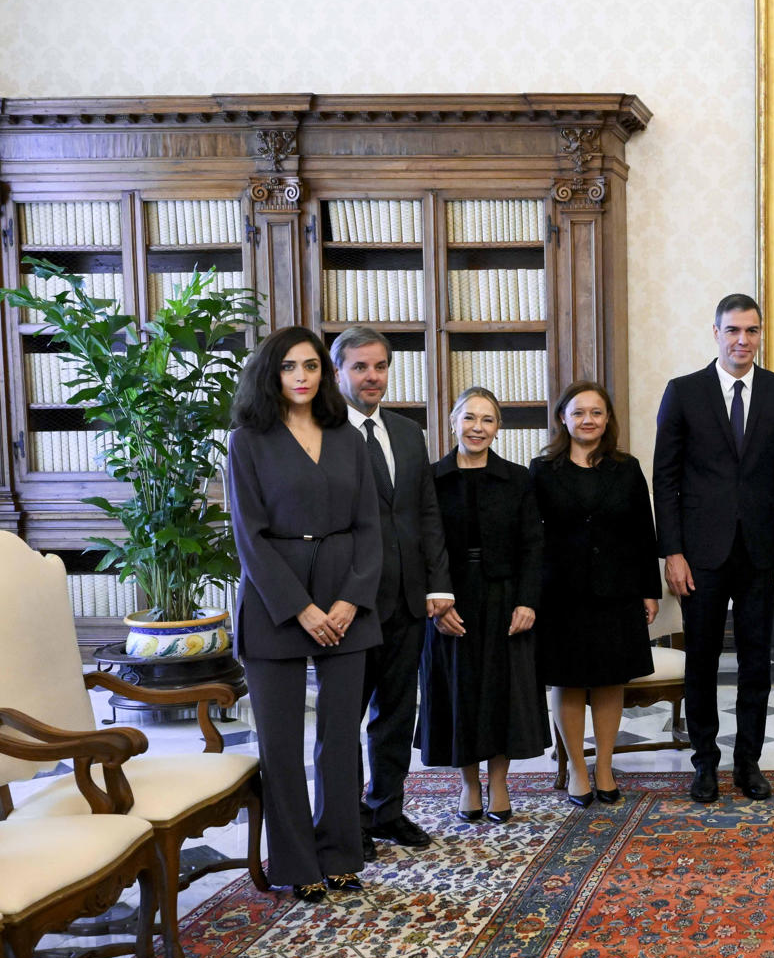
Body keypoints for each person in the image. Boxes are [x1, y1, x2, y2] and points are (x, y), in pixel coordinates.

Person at [224, 327, 381, 903]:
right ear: (272, 373)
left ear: (324, 374)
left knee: (341, 739)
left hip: (347, 599)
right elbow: (249, 538)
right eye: (290, 366)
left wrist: (346, 601)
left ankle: (341, 853)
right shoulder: (247, 441)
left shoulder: (348, 437)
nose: (301, 376)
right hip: (276, 604)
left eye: (311, 366)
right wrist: (303, 608)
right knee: (282, 744)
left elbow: (370, 527)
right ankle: (296, 862)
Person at [653, 293, 774, 804]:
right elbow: (666, 479)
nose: (742, 340)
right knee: (700, 660)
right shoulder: (684, 392)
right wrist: (672, 552)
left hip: (762, 552)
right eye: (732, 331)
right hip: (700, 554)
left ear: (761, 334)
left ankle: (749, 763)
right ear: (716, 333)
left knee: (756, 662)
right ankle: (704, 764)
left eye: (751, 331)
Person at [331, 325, 452, 861]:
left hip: (406, 600)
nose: (372, 376)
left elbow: (425, 513)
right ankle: (347, 818)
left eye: (379, 366)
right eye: (360, 367)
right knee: (346, 717)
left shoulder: (407, 432)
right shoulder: (322, 435)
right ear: (338, 373)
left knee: (397, 713)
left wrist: (437, 584)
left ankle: (386, 809)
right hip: (348, 604)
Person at [419, 388, 550, 822]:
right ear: (453, 421)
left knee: (502, 693)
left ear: (498, 427)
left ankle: (498, 783)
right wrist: (436, 603)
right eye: (470, 418)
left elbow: (534, 545)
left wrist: (528, 601)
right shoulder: (430, 478)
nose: (478, 428)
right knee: (459, 692)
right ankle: (468, 785)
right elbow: (419, 546)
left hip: (504, 596)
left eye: (488, 420)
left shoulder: (517, 479)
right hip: (447, 598)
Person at [532, 381, 661, 809]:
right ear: (563, 419)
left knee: (610, 679)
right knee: (567, 680)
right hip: (560, 593)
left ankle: (604, 766)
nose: (588, 420)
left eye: (596, 413)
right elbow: (530, 538)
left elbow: (644, 532)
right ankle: (577, 769)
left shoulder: (626, 468)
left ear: (608, 420)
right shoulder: (541, 469)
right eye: (579, 412)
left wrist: (649, 589)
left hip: (617, 589)